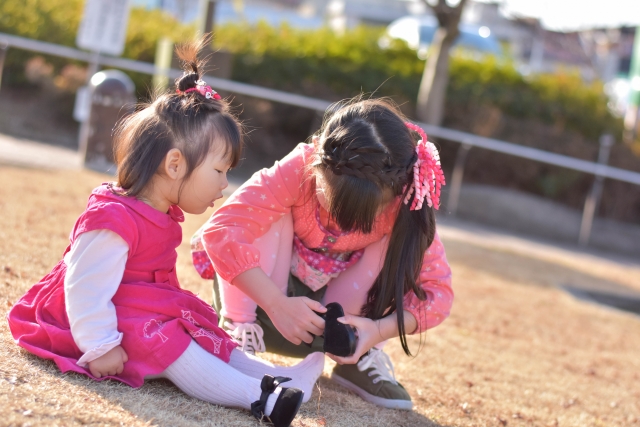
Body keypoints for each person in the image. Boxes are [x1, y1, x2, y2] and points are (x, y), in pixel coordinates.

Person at [6, 38, 324, 427]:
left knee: (196, 323)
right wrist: (101, 344)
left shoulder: (161, 212)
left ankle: (277, 377)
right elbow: (84, 288)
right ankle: (259, 398)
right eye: (219, 171)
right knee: (169, 338)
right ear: (175, 165)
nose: (224, 184)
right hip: (91, 322)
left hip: (138, 308)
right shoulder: (113, 219)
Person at [191, 98, 454, 411]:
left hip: (337, 328)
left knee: (400, 237)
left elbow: (438, 293)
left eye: (361, 216)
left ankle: (357, 357)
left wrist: (377, 331)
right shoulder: (300, 167)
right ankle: (238, 332)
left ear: (395, 192)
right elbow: (222, 231)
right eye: (332, 203)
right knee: (265, 212)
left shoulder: (405, 201)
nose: (342, 225)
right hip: (266, 309)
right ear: (316, 163)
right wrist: (276, 304)